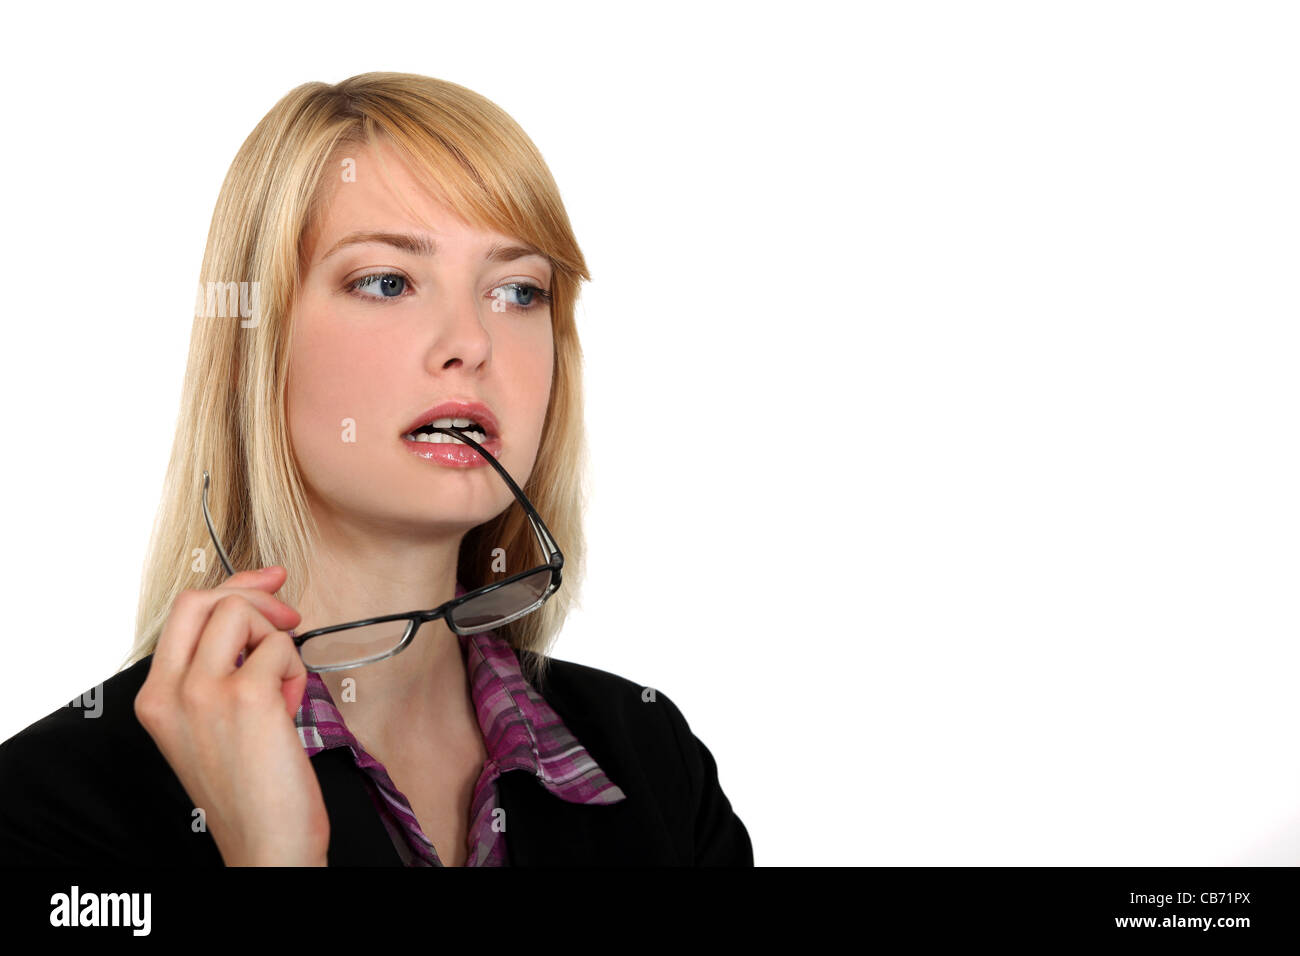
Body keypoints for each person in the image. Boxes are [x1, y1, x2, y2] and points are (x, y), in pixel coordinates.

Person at [0, 72, 752, 867]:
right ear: (251, 349)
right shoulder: (47, 811)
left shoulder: (653, 761)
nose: (471, 341)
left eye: (518, 291)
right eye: (387, 282)